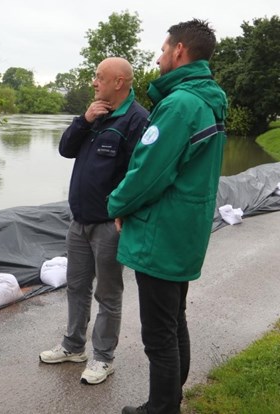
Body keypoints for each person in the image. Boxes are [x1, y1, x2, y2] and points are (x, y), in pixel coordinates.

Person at [107, 20, 228, 414]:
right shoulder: (208, 100)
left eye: (162, 49)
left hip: (162, 233)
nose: (158, 57)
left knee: (159, 333)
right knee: (175, 322)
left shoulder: (179, 105)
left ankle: (161, 408)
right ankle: (170, 400)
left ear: (179, 51)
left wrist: (116, 205)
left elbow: (149, 172)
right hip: (185, 231)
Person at [39, 57, 148, 385]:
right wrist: (83, 120)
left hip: (109, 225)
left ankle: (103, 357)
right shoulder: (96, 113)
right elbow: (65, 149)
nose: (93, 82)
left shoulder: (136, 120)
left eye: (99, 77)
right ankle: (74, 346)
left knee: (108, 294)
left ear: (119, 82)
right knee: (77, 286)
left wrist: (123, 211)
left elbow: (139, 174)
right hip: (80, 220)